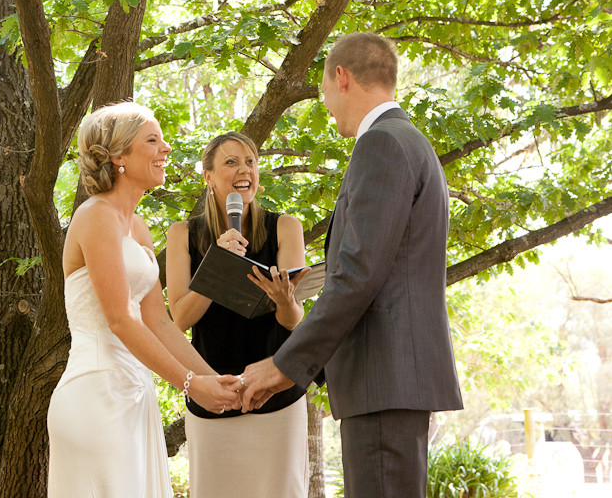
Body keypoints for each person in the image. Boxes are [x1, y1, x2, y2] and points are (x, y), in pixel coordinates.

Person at [238, 32, 464, 498]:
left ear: (341, 77)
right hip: (391, 381)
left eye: (323, 89)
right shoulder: (409, 141)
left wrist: (284, 365)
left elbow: (357, 276)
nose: (325, 102)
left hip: (383, 378)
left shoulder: (381, 144)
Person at [47, 102, 240, 498]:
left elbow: (159, 321)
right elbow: (120, 319)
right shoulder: (95, 215)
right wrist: (190, 385)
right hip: (95, 395)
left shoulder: (137, 226)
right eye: (152, 140)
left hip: (135, 393)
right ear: (119, 156)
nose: (165, 148)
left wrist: (217, 381)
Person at [166, 131, 311, 498]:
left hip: (276, 396)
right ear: (209, 177)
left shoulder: (286, 227)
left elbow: (293, 321)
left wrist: (285, 301)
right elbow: (179, 318)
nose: (245, 170)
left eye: (250, 162)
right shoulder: (182, 235)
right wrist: (219, 265)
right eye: (231, 162)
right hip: (214, 395)